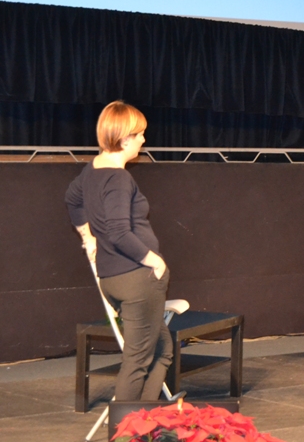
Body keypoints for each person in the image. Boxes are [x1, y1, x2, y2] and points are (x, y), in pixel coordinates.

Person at [65, 100, 173, 401]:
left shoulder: (92, 170)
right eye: (139, 134)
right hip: (136, 280)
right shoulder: (118, 178)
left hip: (113, 278)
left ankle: (144, 418)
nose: (143, 140)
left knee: (162, 349)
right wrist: (155, 261)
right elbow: (118, 232)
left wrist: (88, 237)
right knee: (137, 361)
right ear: (124, 139)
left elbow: (72, 199)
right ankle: (125, 424)